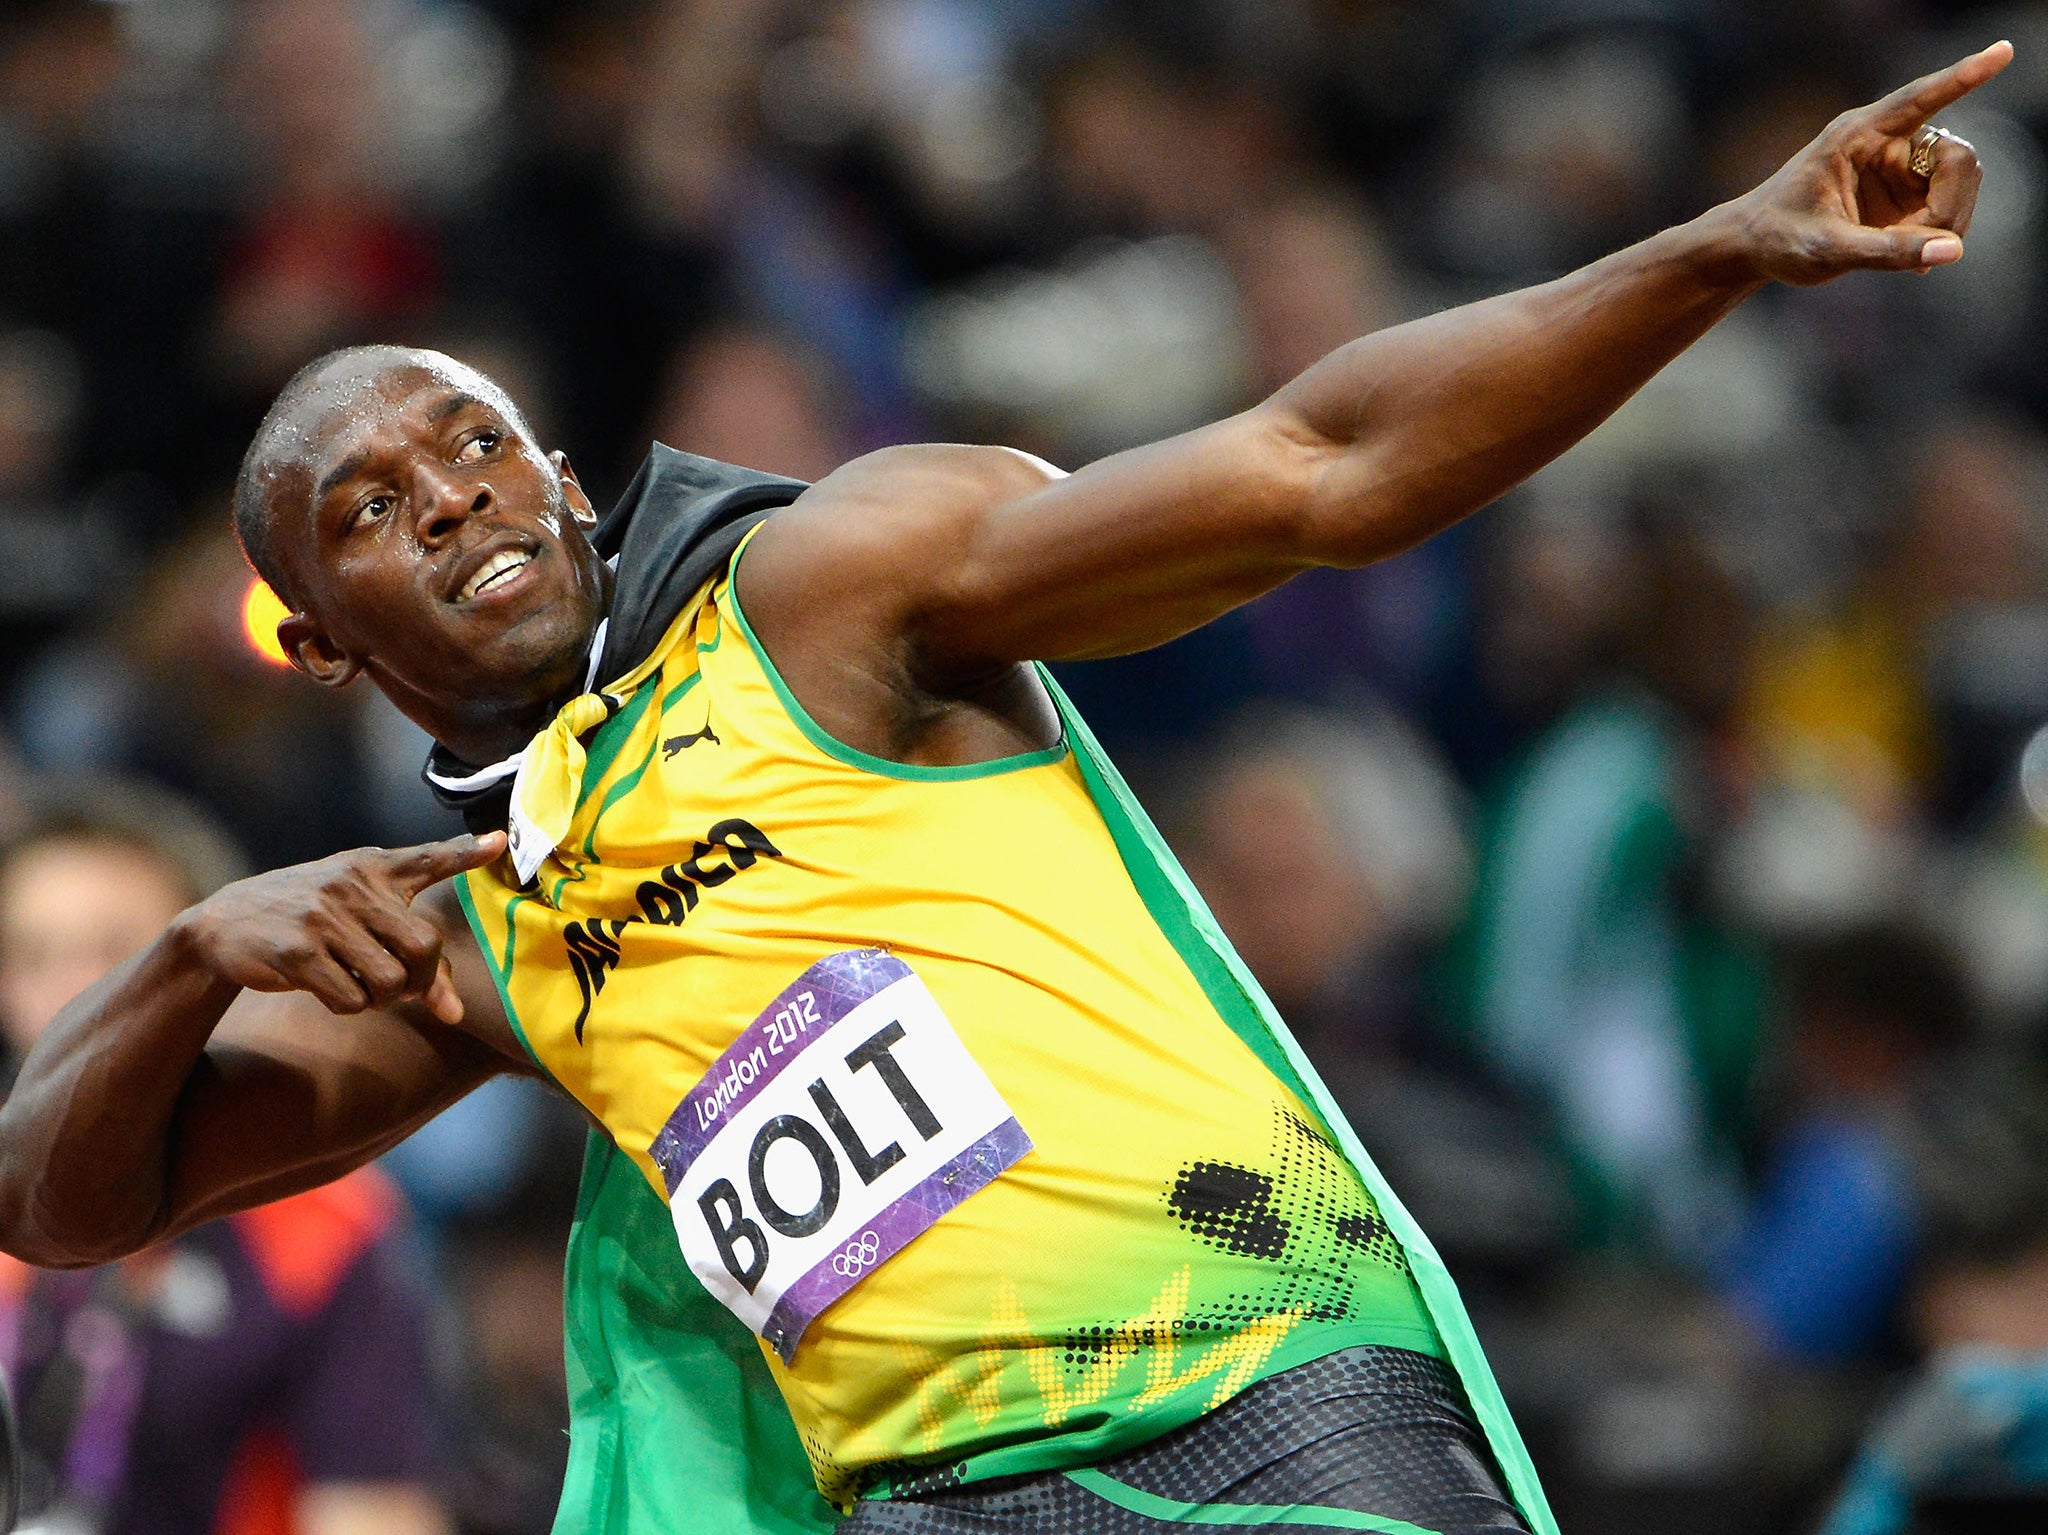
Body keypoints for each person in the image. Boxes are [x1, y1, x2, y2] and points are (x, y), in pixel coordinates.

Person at [0, 42, 2011, 1535]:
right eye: (369, 509)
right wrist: (185, 954)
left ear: (558, 476)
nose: (447, 498)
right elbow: (62, 1196)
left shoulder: (825, 587)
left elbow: (1321, 465)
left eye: (474, 446)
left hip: (1253, 1389)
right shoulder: (466, 924)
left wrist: (1714, 253)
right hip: (928, 1501)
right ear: (321, 639)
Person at [0, 784, 448, 1535]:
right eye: (31, 953)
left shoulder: (326, 1230)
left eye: (117, 954)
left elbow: (375, 1515)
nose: (72, 993)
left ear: (224, 976)